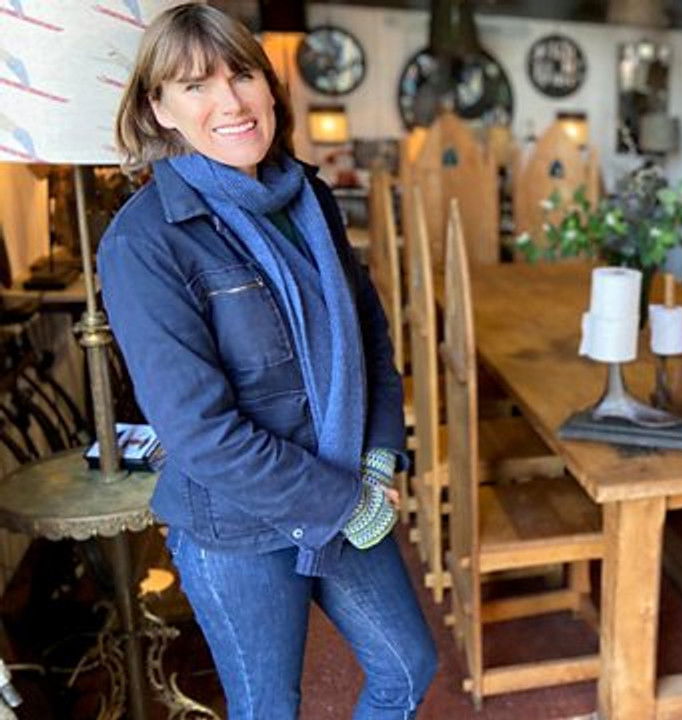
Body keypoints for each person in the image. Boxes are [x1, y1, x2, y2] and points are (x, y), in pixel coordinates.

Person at [99, 5, 435, 717]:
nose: (230, 102)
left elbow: (370, 338)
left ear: (269, 86)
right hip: (238, 525)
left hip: (344, 479)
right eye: (195, 86)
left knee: (408, 667)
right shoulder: (143, 242)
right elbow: (201, 434)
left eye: (242, 75)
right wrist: (347, 502)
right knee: (268, 710)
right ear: (158, 109)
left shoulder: (308, 197)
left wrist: (378, 457)